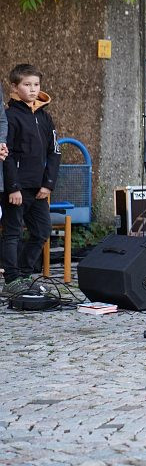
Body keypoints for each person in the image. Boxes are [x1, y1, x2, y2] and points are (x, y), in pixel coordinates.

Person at [1, 64, 59, 297]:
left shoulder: (45, 117)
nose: (33, 89)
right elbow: (7, 154)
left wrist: (48, 184)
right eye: (27, 85)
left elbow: (54, 152)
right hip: (16, 188)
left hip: (38, 188)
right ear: (14, 87)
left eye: (36, 84)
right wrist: (12, 186)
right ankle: (12, 279)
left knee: (42, 231)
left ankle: (24, 273)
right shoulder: (10, 116)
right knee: (13, 232)